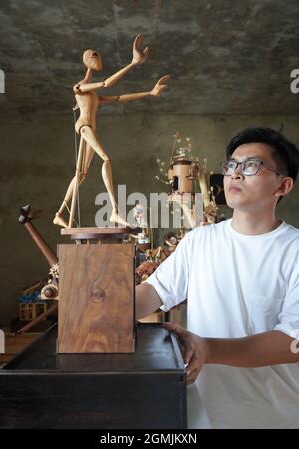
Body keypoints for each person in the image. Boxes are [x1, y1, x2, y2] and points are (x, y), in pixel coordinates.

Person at [136, 127, 299, 428]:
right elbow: (152, 293)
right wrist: (98, 307)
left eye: (251, 166)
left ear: (283, 186)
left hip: (273, 417)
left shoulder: (294, 251)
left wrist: (209, 348)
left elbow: (293, 341)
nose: (236, 174)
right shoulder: (199, 241)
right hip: (201, 414)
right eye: (231, 166)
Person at [54, 34, 169, 228]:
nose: (98, 59)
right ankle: (114, 211)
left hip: (90, 128)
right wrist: (132, 64)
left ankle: (59, 213)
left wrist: (149, 92)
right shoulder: (80, 87)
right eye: (94, 55)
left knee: (81, 174)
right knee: (106, 159)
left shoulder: (93, 95)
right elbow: (106, 83)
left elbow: (119, 98)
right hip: (83, 126)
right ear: (87, 60)